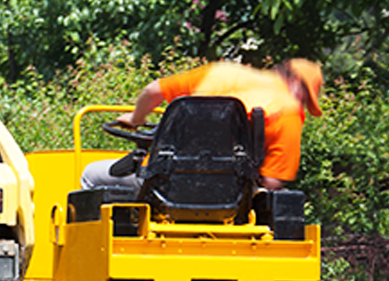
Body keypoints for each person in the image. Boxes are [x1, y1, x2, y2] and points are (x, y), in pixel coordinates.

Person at [85, 59, 325, 192]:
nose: (302, 102)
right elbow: (273, 181)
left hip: (164, 184)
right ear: (295, 81)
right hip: (230, 197)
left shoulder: (222, 73)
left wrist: (136, 119)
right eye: (306, 96)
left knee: (89, 176)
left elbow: (152, 91)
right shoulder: (289, 113)